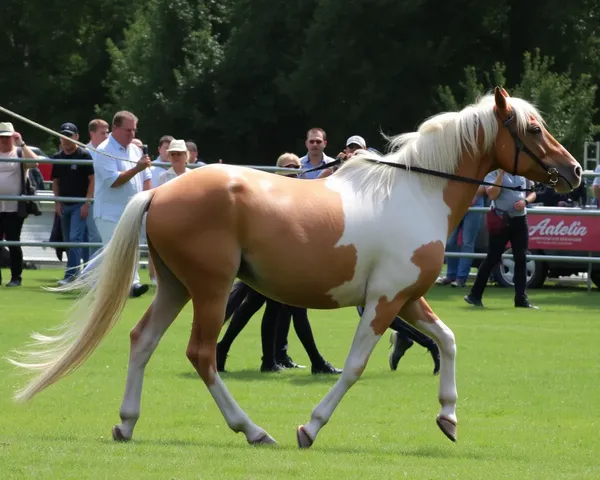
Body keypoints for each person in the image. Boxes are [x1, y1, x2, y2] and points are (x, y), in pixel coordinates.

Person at [82, 110, 152, 297]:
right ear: (115, 128)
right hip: (109, 212)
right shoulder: (104, 150)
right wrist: (137, 168)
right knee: (115, 249)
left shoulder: (136, 150)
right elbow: (113, 181)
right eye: (127, 130)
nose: (131, 134)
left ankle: (128, 284)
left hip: (132, 210)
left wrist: (147, 200)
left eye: (134, 130)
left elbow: (146, 178)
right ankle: (89, 276)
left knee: (125, 249)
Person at [464, 169, 538, 309]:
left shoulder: (522, 174)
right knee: (493, 258)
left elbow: (532, 192)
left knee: (521, 258)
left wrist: (525, 201)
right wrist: (500, 175)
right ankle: (475, 295)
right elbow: (492, 194)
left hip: (520, 220)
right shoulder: (491, 175)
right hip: (501, 220)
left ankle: (521, 299)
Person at [51, 122, 95, 285]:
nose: (66, 139)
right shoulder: (58, 157)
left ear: (77, 137)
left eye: (69, 136)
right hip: (64, 204)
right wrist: (57, 202)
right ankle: (78, 272)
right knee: (69, 240)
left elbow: (92, 180)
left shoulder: (84, 155)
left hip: (79, 203)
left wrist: (87, 203)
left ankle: (71, 276)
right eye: (63, 136)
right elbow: (55, 181)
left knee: (74, 239)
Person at [0, 122, 39, 287]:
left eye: (7, 137)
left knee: (14, 241)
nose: (4, 141)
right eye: (1, 137)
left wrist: (21, 143)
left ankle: (16, 277)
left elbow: (34, 163)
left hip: (15, 208)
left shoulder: (18, 152)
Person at [436, 186, 486, 287]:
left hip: (474, 205)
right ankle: (450, 275)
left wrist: (471, 196)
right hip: (457, 204)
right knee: (450, 241)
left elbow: (484, 187)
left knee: (467, 242)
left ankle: (461, 278)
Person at [84, 119, 109, 260]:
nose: (106, 136)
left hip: (105, 198)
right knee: (95, 236)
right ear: (92, 133)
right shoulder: (85, 152)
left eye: (107, 132)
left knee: (100, 235)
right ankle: (92, 271)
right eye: (102, 133)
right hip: (90, 199)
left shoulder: (108, 151)